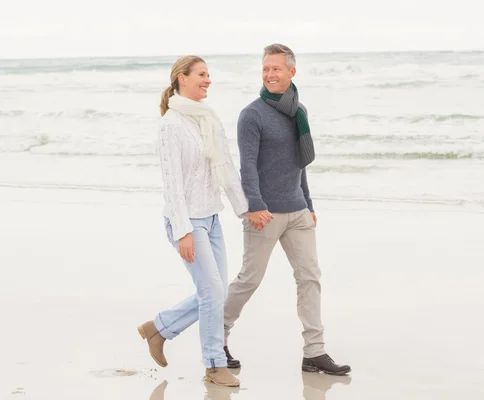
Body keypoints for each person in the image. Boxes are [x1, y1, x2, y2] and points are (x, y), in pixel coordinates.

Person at [223, 44, 351, 376]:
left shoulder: (299, 111)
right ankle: (216, 338)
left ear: (292, 72)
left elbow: (300, 164)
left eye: (276, 69)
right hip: (264, 214)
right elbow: (247, 168)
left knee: (310, 278)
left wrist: (308, 205)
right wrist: (256, 206)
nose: (269, 74)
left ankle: (314, 353)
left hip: (297, 212)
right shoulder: (252, 115)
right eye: (265, 69)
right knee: (249, 280)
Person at [137, 55, 257, 387]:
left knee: (215, 293)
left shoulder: (209, 119)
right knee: (211, 291)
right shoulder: (170, 125)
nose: (208, 80)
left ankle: (159, 328)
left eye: (209, 75)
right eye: (202, 75)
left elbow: (227, 169)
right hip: (187, 222)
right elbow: (172, 184)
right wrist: (183, 231)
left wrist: (245, 210)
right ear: (182, 79)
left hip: (212, 219)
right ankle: (215, 365)